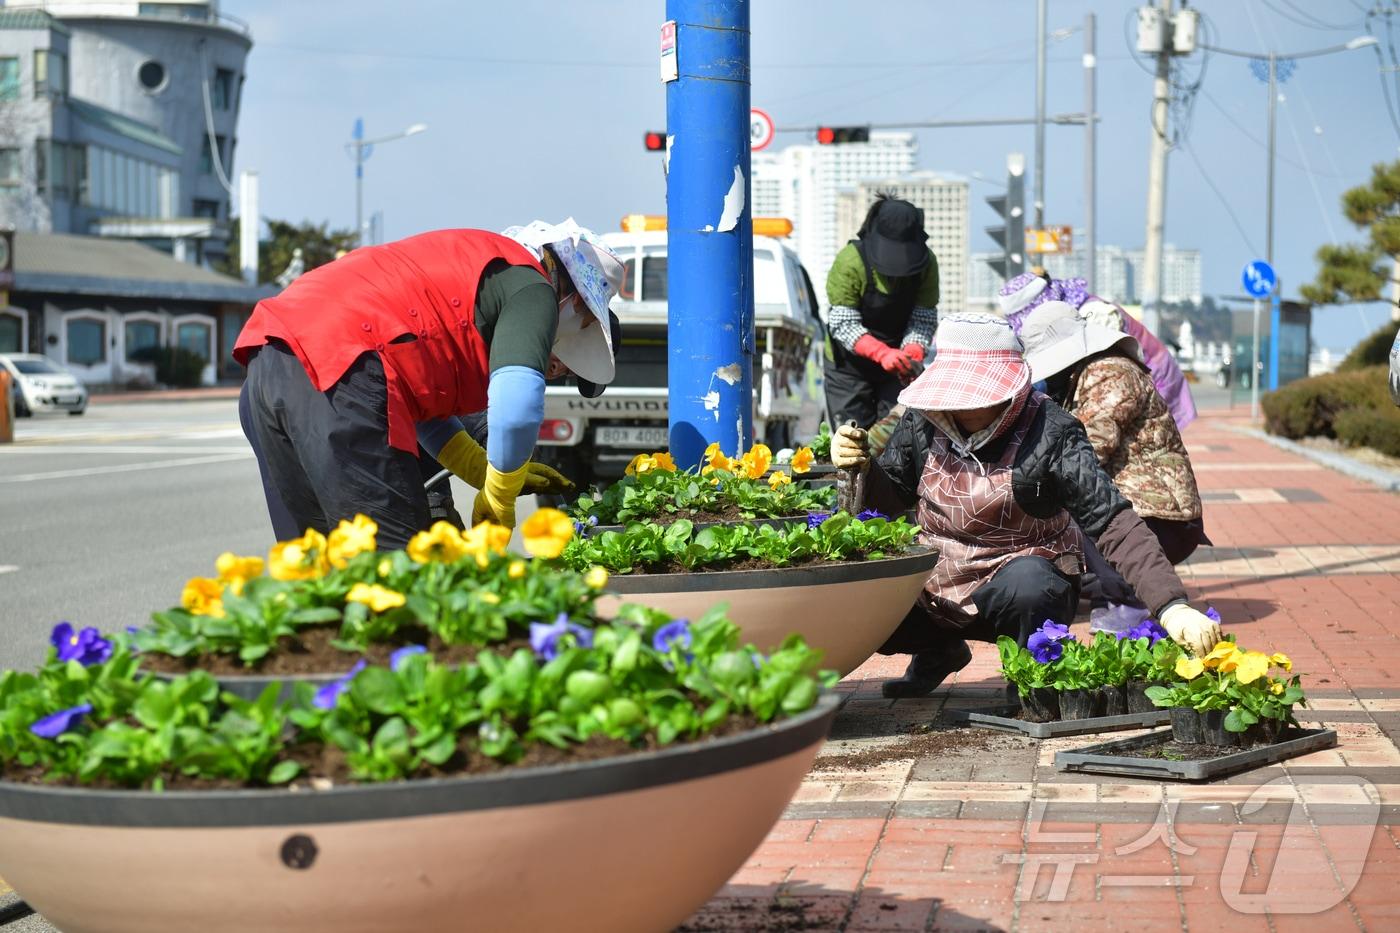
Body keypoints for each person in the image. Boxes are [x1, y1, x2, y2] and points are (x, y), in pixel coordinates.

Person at [830, 312, 1220, 698]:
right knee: (866, 605)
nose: (963, 407)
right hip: (938, 580)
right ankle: (938, 650)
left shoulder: (1052, 430)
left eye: (977, 396)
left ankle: (1032, 681)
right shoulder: (923, 421)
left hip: (1019, 579)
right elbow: (890, 497)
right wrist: (862, 467)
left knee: (1031, 586)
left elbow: (1111, 520)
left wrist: (1171, 606)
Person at [235, 219, 623, 549]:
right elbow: (519, 408)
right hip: (341, 371)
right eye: (587, 324)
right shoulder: (531, 286)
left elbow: (416, 400)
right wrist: (500, 494)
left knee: (318, 568)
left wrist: (472, 465)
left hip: (270, 366)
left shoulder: (474, 270)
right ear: (575, 301)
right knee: (395, 575)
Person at [1020, 301, 1208, 631]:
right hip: (1144, 513)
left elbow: (1090, 448)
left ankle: (1129, 597)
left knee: (1078, 502)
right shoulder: (1083, 375)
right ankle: (1114, 589)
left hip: (1158, 519)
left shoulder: (1110, 372)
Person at [996, 271, 1197, 430]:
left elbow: (1106, 389)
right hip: (1128, 387)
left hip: (1154, 378)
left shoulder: (1097, 315)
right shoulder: (1076, 311)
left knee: (1150, 430)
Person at [823, 195, 939, 429]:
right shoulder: (850, 261)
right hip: (848, 367)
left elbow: (923, 317)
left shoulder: (926, 264)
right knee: (852, 437)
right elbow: (842, 322)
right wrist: (882, 353)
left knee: (898, 433)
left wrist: (913, 351)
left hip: (897, 365)